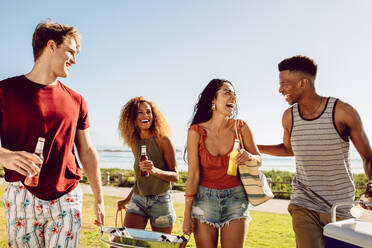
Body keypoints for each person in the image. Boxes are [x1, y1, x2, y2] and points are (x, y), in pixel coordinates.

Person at [0, 20, 105, 247]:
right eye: (70, 51)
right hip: (20, 196)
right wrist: (5, 156)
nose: (74, 60)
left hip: (67, 198)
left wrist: (99, 198)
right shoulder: (5, 91)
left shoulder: (77, 100)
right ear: (51, 46)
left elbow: (86, 151)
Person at [258, 55, 372, 248]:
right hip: (304, 202)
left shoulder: (342, 112)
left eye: (284, 84)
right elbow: (288, 149)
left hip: (340, 205)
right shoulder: (289, 117)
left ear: (303, 83)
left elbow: (368, 157)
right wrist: (253, 146)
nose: (280, 90)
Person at [182, 79, 262, 248]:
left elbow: (259, 159)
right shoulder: (196, 131)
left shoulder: (241, 127)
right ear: (213, 99)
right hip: (203, 200)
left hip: (236, 199)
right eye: (227, 93)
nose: (233, 97)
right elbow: (193, 175)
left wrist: (249, 156)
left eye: (234, 94)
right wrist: (187, 215)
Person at [116, 96, 179, 234]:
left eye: (148, 112)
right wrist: (127, 199)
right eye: (140, 112)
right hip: (138, 199)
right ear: (133, 118)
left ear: (153, 115)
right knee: (126, 241)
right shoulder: (134, 142)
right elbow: (140, 178)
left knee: (160, 245)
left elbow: (175, 176)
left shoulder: (163, 140)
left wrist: (154, 170)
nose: (145, 115)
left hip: (161, 200)